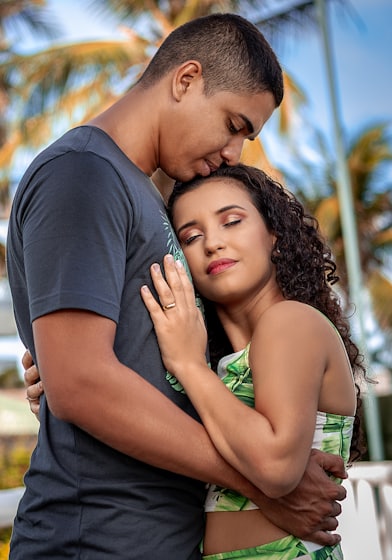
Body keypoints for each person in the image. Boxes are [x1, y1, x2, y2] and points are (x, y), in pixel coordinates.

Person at [7, 13, 346, 560]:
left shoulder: (143, 196)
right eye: (235, 124)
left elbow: (98, 367)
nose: (236, 153)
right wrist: (262, 483)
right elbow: (82, 382)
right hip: (93, 543)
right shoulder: (83, 173)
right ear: (185, 80)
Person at [140, 164, 366, 559]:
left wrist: (188, 365)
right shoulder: (224, 365)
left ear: (274, 236)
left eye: (231, 221)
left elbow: (277, 467)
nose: (213, 243)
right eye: (191, 236)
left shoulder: (290, 321)